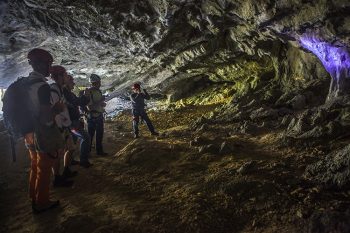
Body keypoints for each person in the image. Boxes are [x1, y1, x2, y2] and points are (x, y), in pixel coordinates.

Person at [24, 48, 61, 213]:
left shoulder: (26, 84)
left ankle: (34, 197)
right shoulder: (43, 87)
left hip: (29, 133)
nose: (50, 67)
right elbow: (46, 118)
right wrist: (57, 110)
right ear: (39, 64)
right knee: (44, 168)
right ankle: (42, 202)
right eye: (48, 63)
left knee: (34, 165)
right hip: (41, 134)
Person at [49, 65, 77, 186]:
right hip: (58, 128)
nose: (67, 77)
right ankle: (57, 178)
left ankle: (65, 171)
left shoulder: (59, 89)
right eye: (65, 75)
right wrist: (60, 128)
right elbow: (54, 111)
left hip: (64, 126)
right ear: (60, 76)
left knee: (70, 148)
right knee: (57, 155)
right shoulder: (54, 90)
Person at [63, 74, 93, 168]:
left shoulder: (68, 93)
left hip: (71, 121)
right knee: (86, 137)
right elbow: (78, 102)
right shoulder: (66, 94)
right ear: (67, 83)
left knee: (72, 142)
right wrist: (86, 96)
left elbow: (78, 102)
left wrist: (85, 97)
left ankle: (70, 161)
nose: (74, 83)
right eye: (72, 81)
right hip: (72, 122)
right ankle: (83, 160)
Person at [86, 74, 108, 156]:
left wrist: (102, 104)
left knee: (100, 134)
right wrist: (100, 101)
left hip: (99, 115)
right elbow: (90, 107)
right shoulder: (89, 92)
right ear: (94, 83)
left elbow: (98, 103)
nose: (100, 84)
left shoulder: (98, 91)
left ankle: (99, 151)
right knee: (90, 136)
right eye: (99, 82)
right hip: (92, 116)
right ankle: (87, 153)